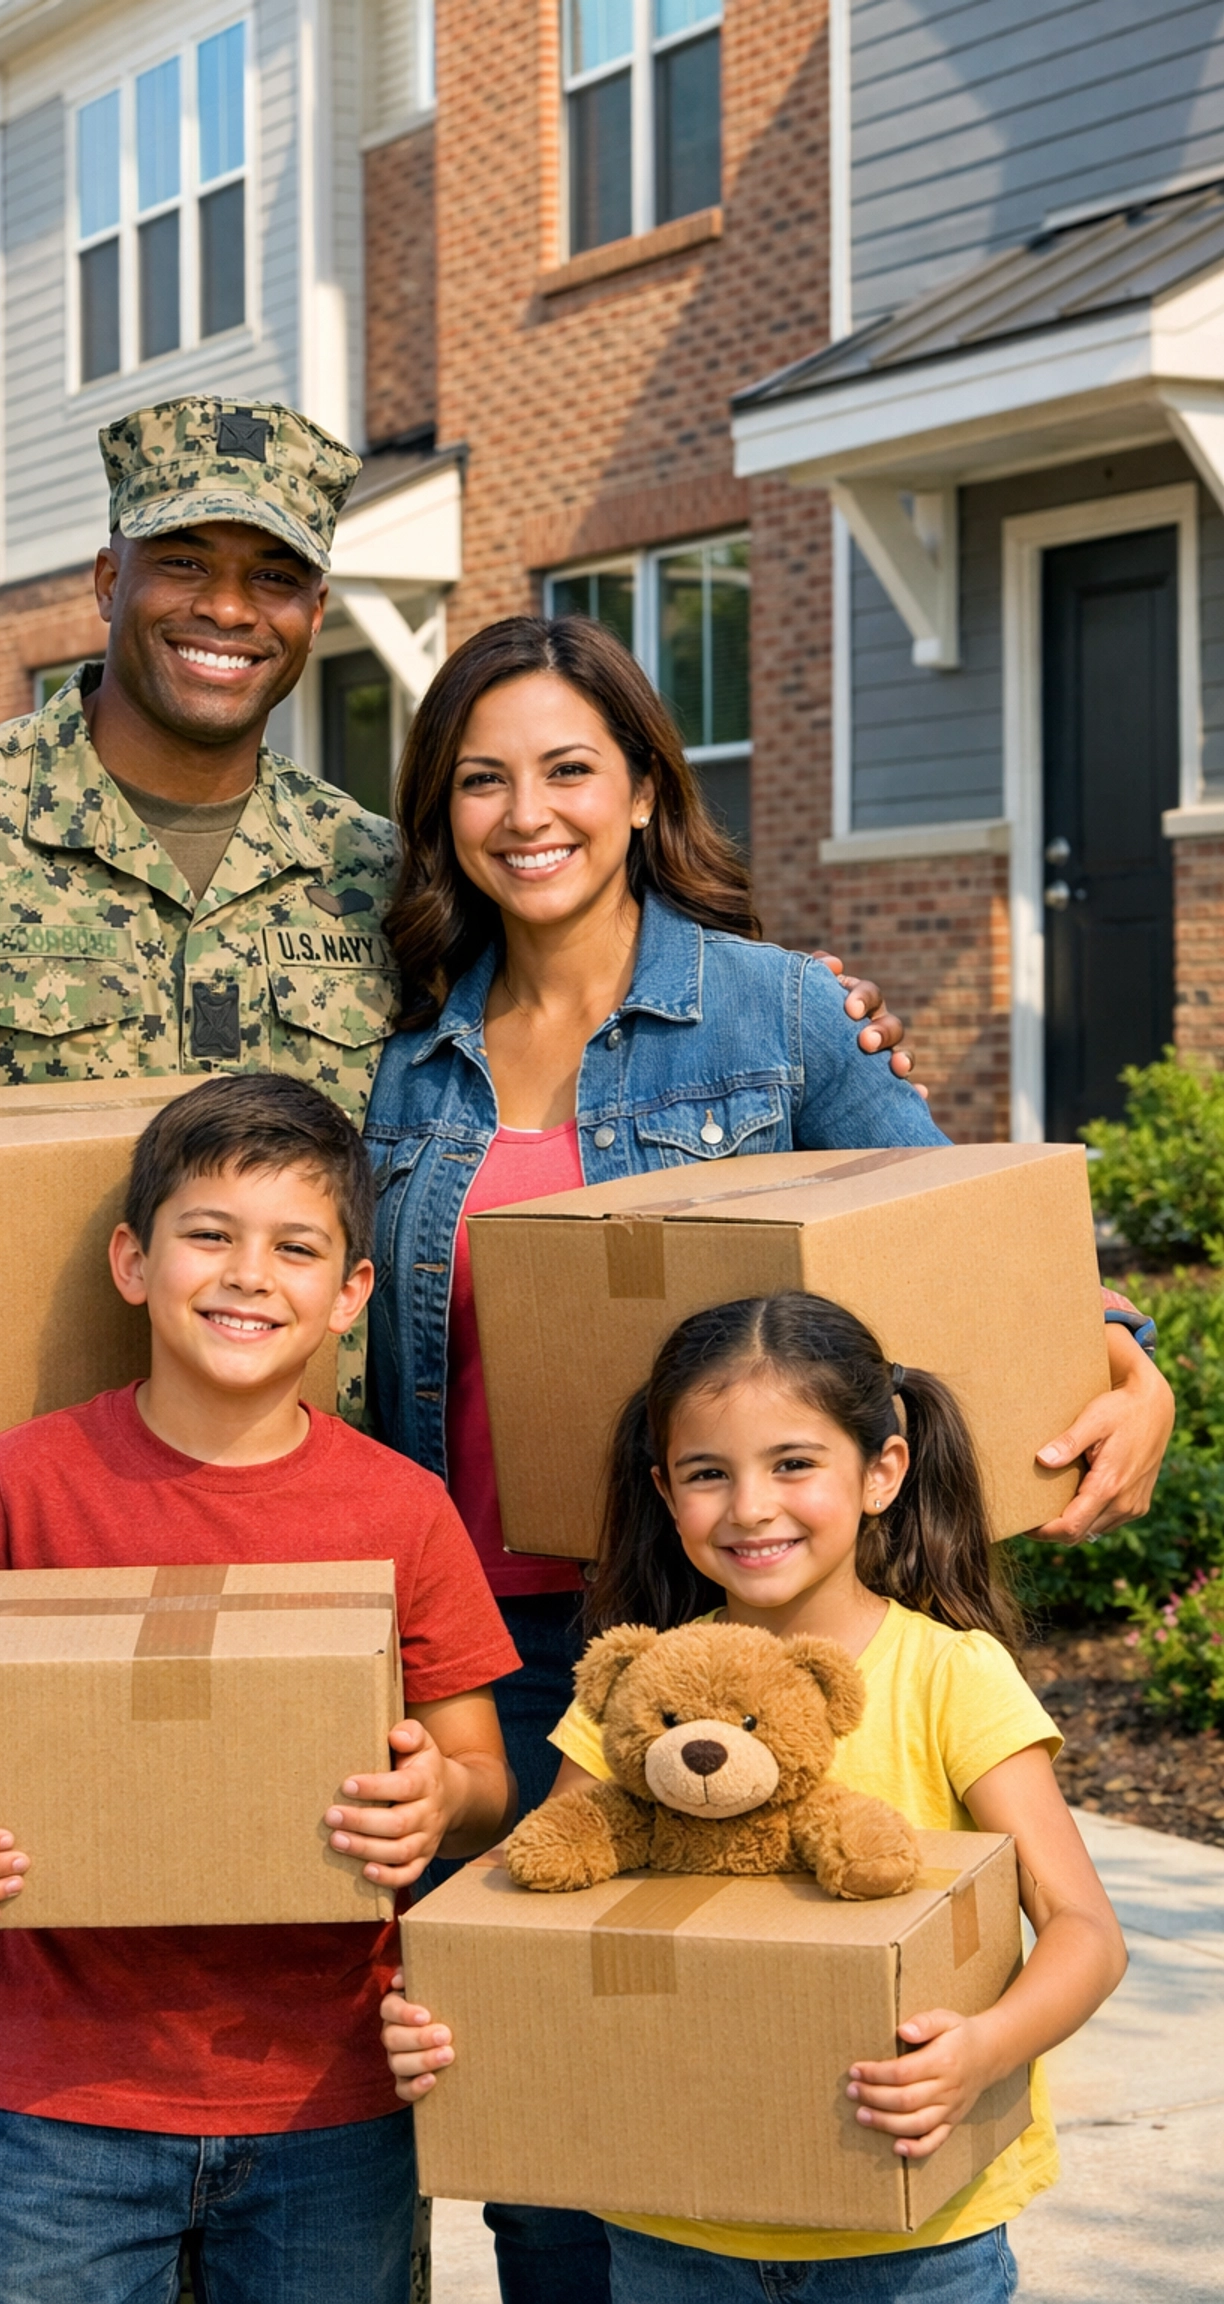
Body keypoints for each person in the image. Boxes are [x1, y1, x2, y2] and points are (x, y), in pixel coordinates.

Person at [0, 381, 906, 2296]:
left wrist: (814, 1017)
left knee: (327, 2148)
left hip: (314, 1612)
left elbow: (599, 1019)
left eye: (271, 573)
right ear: (106, 572)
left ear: (317, 606)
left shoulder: (377, 882)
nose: (225, 606)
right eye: (184, 560)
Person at [362, 614, 1172, 2304]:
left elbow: (950, 1231)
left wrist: (1127, 1360)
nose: (529, 812)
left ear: (648, 786)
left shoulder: (782, 1012)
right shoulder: (402, 1059)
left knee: (795, 2079)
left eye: (570, 767)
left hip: (727, 1633)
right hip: (493, 1660)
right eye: (482, 780)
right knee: (558, 2138)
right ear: (439, 813)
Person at [0, 1074, 520, 2304]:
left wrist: (439, 1800)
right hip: (65, 2093)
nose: (248, 1275)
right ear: (133, 1262)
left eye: (296, 1248)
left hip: (329, 2094)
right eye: (209, 1234)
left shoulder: (401, 1512)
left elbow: (481, 1776)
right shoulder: (26, 1484)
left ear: (351, 1294)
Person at [383, 1290, 1129, 2304]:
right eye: (708, 1474)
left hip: (914, 2245)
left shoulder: (948, 1677)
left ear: (882, 1472)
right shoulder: (638, 1693)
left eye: (793, 1464)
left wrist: (982, 2051)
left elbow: (1087, 1932)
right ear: (664, 1491)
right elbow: (524, 1912)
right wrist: (447, 2012)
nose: (750, 1507)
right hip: (672, 2237)